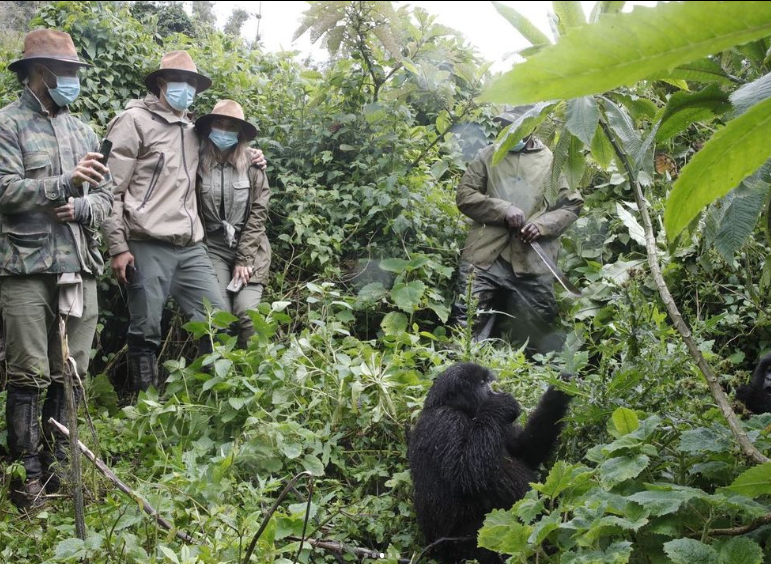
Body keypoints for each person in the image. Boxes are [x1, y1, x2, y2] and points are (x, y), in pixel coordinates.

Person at [102, 50, 265, 393]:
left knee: (216, 322)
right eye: (180, 81)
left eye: (192, 83)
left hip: (191, 247)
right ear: (161, 82)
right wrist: (117, 246)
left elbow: (227, 151)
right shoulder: (133, 121)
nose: (186, 89)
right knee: (146, 328)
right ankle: (144, 406)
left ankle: (211, 404)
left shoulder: (192, 130)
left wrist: (253, 155)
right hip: (147, 243)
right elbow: (109, 190)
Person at [0, 29, 114, 509]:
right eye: (65, 71)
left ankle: (60, 464)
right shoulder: (6, 124)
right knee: (28, 373)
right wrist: (60, 186)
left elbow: (108, 200)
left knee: (71, 371)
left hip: (79, 267)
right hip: (25, 266)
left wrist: (84, 206)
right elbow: (5, 190)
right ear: (39, 72)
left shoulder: (85, 130)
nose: (72, 79)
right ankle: (24, 477)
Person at [452, 105, 583, 353]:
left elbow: (572, 204)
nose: (508, 130)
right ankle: (462, 382)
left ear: (530, 128)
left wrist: (541, 225)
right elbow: (465, 196)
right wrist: (503, 209)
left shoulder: (551, 161)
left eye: (515, 125)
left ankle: (537, 385)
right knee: (466, 327)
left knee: (540, 333)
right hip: (484, 257)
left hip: (533, 259)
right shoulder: (487, 155)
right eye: (504, 125)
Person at [195, 100, 271, 347]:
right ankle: (220, 378)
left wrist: (244, 258)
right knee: (219, 317)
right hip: (212, 247)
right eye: (219, 123)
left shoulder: (253, 164)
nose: (224, 130)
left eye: (231, 126)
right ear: (209, 127)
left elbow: (259, 212)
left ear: (240, 132)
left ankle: (252, 374)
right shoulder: (195, 161)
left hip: (251, 248)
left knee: (248, 315)